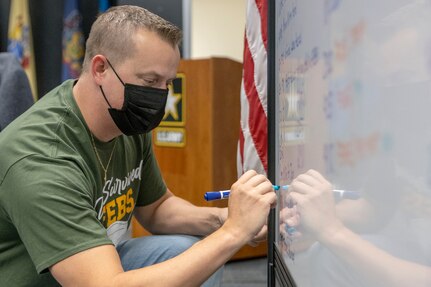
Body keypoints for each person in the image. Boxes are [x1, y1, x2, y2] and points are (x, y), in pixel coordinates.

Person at [0, 5, 277, 286]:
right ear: (100, 68)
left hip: (99, 261)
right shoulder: (42, 157)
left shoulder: (125, 120)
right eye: (150, 80)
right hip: (74, 279)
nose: (160, 96)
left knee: (194, 251)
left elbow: (157, 208)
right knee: (213, 248)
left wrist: (224, 218)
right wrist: (233, 233)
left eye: (167, 82)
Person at [283, 169, 431, 287]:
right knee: (327, 254)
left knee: (334, 250)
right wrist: (317, 214)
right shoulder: (401, 143)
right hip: (418, 247)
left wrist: (333, 231)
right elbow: (377, 206)